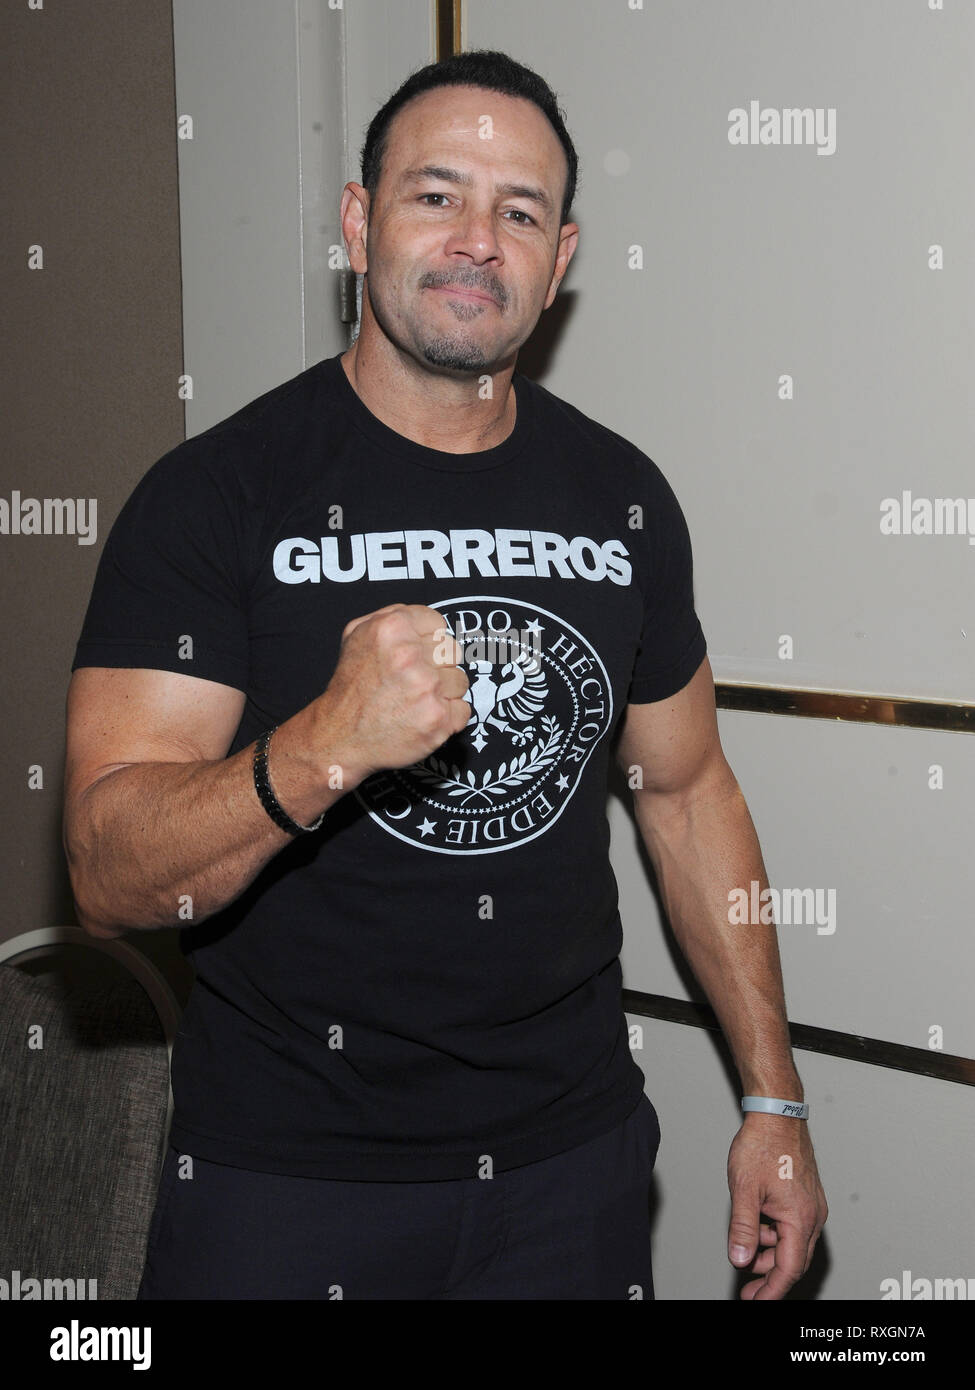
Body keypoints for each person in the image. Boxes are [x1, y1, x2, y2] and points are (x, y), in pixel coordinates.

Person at [62, 48, 826, 1301]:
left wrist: (775, 1097)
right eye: (436, 194)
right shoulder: (215, 496)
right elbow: (104, 872)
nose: (478, 239)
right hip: (287, 1179)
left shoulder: (621, 496)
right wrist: (322, 746)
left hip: (568, 1167)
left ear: (561, 258)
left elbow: (689, 799)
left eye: (518, 212)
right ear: (360, 222)